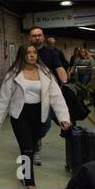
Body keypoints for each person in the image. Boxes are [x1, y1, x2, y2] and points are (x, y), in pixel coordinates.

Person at [0, 44, 71, 189]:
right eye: (28, 52)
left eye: (34, 52)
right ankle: (29, 181)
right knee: (27, 147)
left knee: (30, 147)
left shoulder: (46, 73)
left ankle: (23, 172)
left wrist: (63, 117)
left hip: (39, 115)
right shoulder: (13, 74)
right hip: (20, 115)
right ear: (22, 55)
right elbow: (4, 98)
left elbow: (56, 97)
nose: (32, 55)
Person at [27, 27, 68, 165]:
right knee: (33, 123)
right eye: (34, 36)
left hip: (46, 95)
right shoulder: (25, 53)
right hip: (30, 95)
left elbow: (59, 68)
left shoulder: (51, 53)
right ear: (29, 38)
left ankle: (34, 140)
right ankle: (35, 151)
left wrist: (64, 80)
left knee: (45, 124)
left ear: (43, 37)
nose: (37, 38)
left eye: (39, 35)